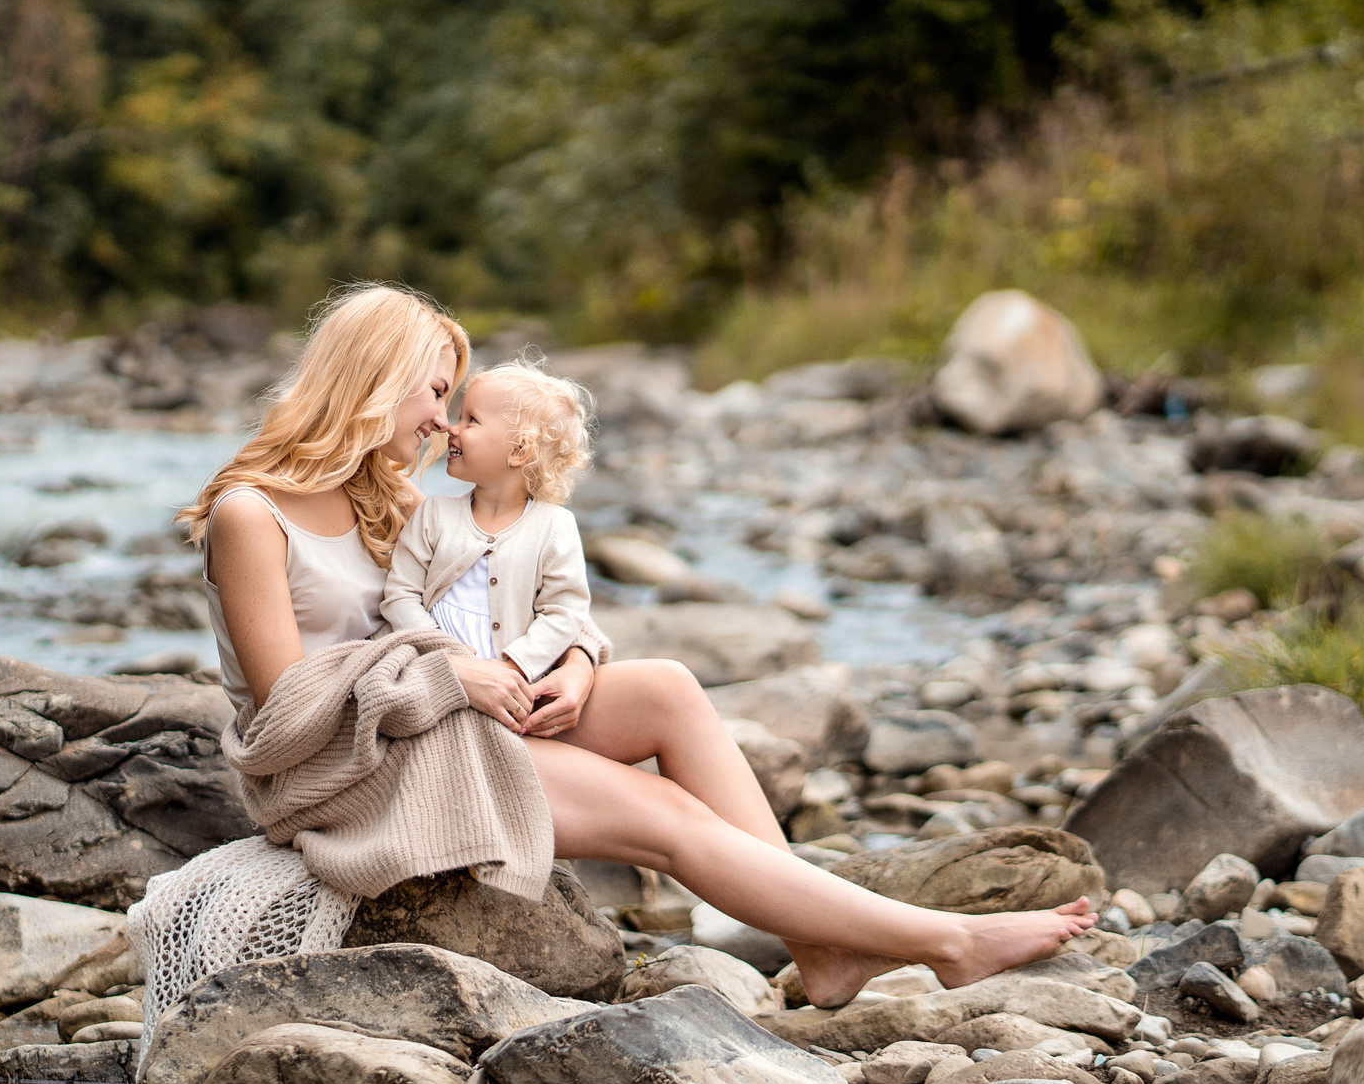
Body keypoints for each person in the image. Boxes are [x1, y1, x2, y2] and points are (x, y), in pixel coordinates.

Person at [181, 284, 1095, 1005]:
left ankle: (823, 941)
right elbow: (289, 710)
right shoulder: (249, 515)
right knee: (667, 818)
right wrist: (455, 673)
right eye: (432, 391)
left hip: (440, 716)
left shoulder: (404, 501)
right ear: (374, 380)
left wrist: (575, 665)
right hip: (349, 769)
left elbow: (536, 603)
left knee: (663, 687)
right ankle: (947, 943)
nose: (441, 420)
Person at [381, 358, 600, 684]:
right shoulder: (435, 514)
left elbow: (563, 611)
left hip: (515, 685)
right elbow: (401, 595)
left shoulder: (554, 527)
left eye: (471, 421)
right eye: (460, 417)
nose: (452, 428)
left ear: (519, 451)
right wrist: (444, 657)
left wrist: (515, 668)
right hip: (435, 674)